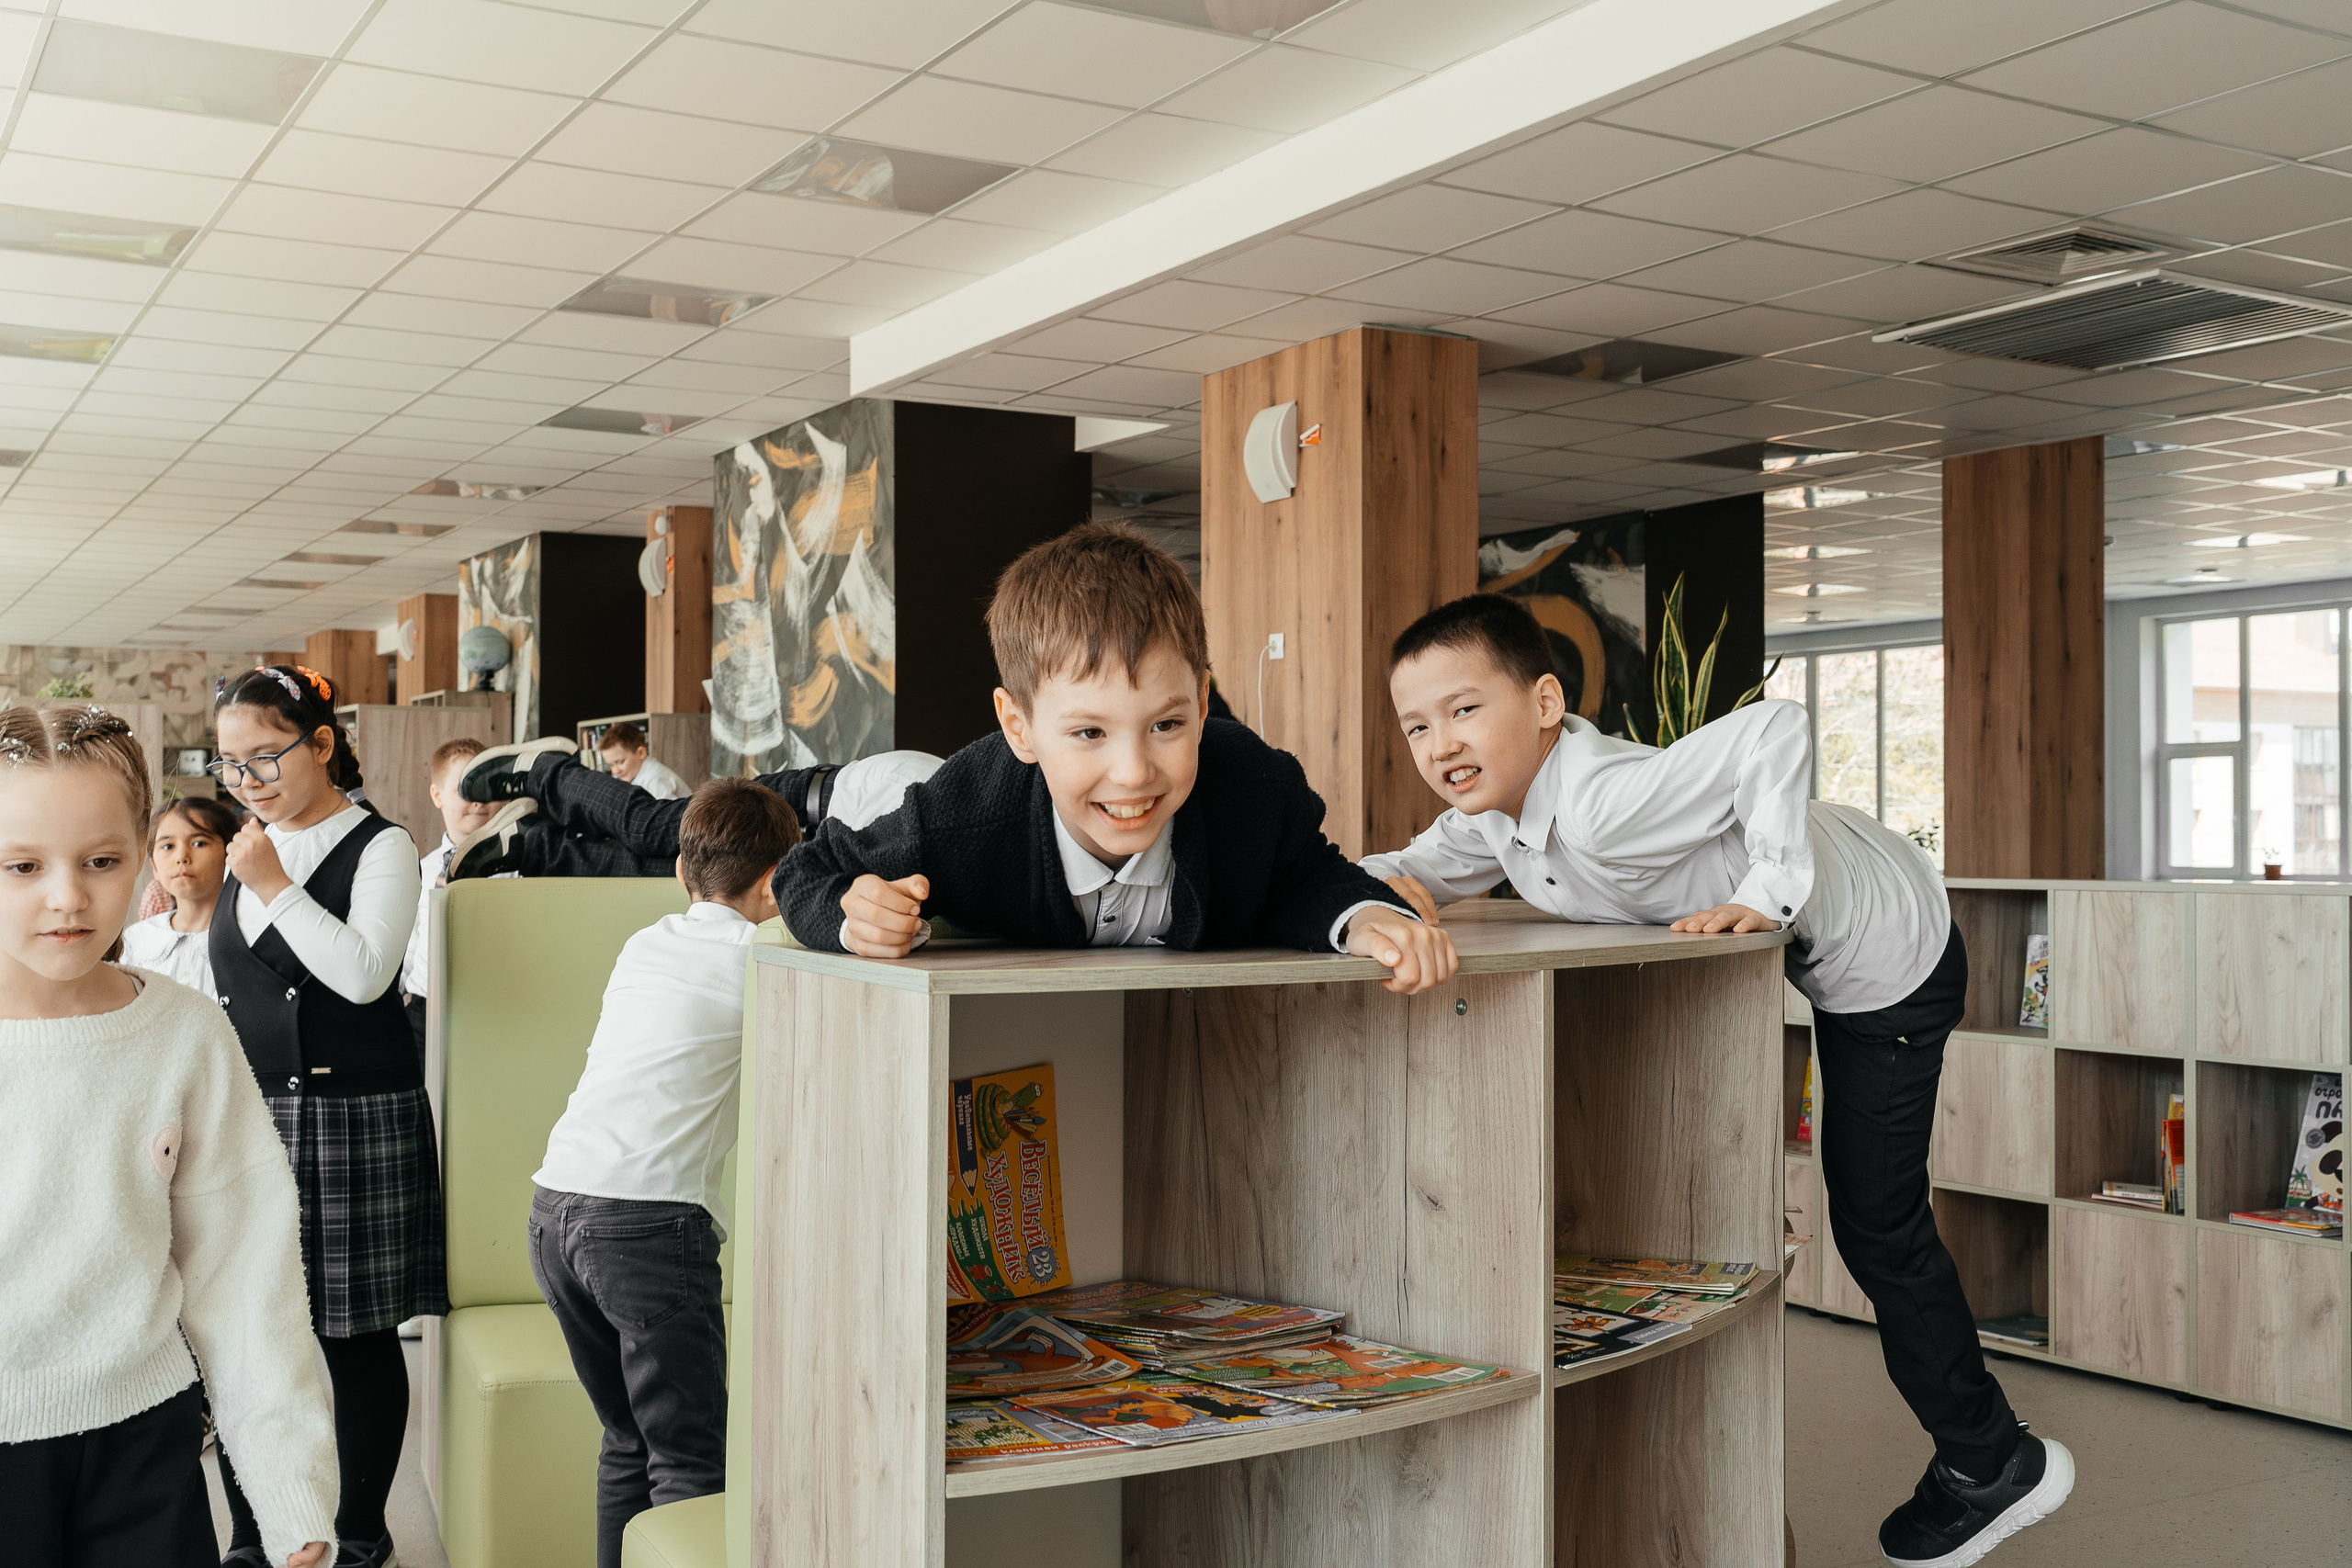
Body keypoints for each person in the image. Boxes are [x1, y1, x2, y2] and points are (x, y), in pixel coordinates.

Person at [1360, 594, 2072, 1568]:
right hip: (1830, 908)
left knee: (1876, 1222)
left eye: (1463, 709)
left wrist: (1765, 888)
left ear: (1542, 703)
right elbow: (1402, 868)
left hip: (1886, 947)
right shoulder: (1494, 823)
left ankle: (1990, 1462)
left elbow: (1774, 725)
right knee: (1854, 1201)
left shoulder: (1602, 801)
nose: (1440, 741)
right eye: (1415, 724)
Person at [772, 524, 1455, 993]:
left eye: (1166, 723)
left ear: (1203, 700)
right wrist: (848, 912)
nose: (1133, 772)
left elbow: (1307, 878)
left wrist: (1367, 917)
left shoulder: (1255, 788)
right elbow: (806, 870)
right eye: (1089, 734)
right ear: (1020, 727)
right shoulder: (962, 815)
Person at [0, 703, 336, 1568]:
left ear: (142, 850)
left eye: (102, 860)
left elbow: (245, 1276)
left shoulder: (185, 1033)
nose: (67, 896)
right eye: (22, 865)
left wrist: (290, 1485)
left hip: (145, 1447)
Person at [204, 665, 445, 1568]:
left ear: (321, 743)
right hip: (247, 1113)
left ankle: (358, 1533)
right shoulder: (243, 844)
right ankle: (255, 1533)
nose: (247, 781)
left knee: (354, 1337)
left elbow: (361, 973)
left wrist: (271, 885)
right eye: (229, 765)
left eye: (263, 756)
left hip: (352, 1115)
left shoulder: (380, 846)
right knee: (244, 1332)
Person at [527, 778, 799, 1567]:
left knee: (626, 1438)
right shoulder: (765, 956)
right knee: (689, 1463)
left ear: (684, 873)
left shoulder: (647, 939)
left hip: (554, 1209)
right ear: (779, 881)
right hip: (644, 1227)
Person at [449, 739, 941, 883]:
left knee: (669, 876)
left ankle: (532, 845)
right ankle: (546, 772)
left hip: (805, 851)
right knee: (651, 830)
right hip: (798, 804)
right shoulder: (948, 793)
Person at [399, 735, 493, 1061]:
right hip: (426, 1010)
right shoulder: (421, 870)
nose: (479, 800)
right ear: (437, 796)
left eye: (487, 788)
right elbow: (408, 944)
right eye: (465, 789)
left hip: (494, 1006)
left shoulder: (522, 871)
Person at [120, 795, 240, 998]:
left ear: (230, 855)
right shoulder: (137, 940)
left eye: (199, 843)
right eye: (167, 846)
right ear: (154, 867)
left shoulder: (247, 937)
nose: (181, 857)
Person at [597, 722, 690, 799]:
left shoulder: (654, 779)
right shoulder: (636, 774)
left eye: (620, 762)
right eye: (611, 765)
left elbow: (668, 816)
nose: (615, 771)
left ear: (641, 753)